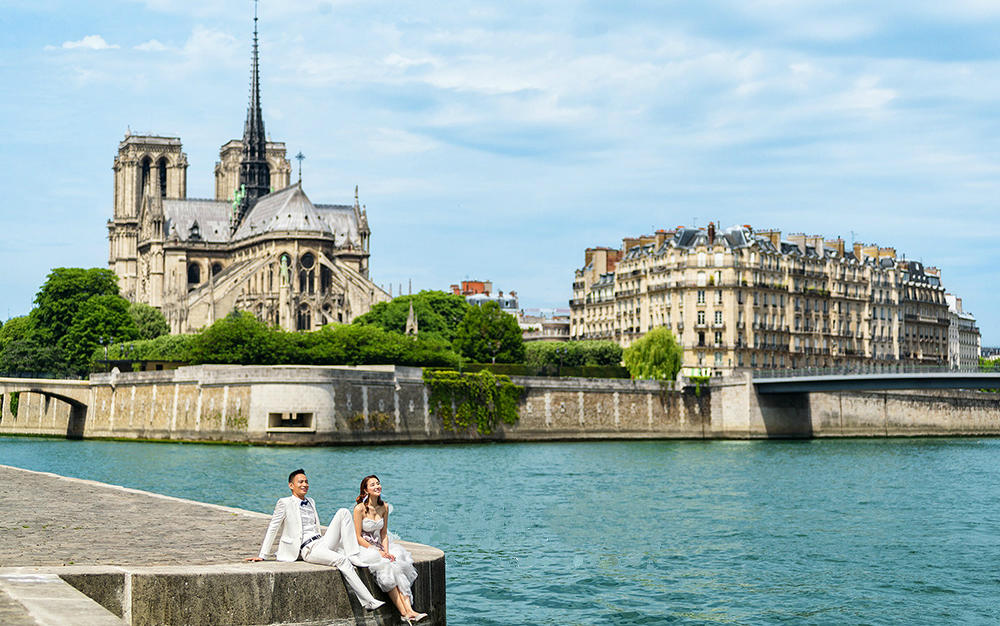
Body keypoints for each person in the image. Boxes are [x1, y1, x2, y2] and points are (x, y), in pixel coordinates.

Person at [245, 469, 385, 611]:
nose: (305, 484)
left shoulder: (311, 501)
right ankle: (369, 602)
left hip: (321, 541)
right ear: (291, 485)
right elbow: (273, 527)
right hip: (308, 548)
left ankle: (352, 554)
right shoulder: (284, 503)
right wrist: (262, 555)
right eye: (301, 482)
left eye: (306, 481)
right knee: (341, 561)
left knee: (343, 512)